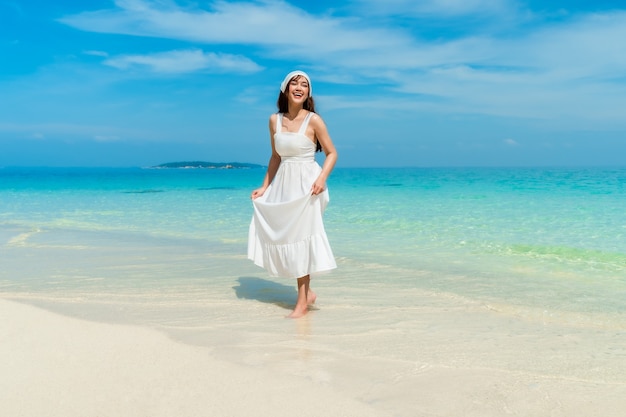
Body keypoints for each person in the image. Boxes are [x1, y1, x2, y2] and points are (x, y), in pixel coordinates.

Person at [247, 70, 338, 318]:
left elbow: (332, 153)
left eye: (305, 85)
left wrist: (321, 179)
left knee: (301, 240)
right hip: (285, 184)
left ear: (308, 92)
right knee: (287, 237)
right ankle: (307, 294)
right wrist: (265, 186)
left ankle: (301, 302)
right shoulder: (274, 121)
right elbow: (276, 156)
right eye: (294, 84)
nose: (299, 88)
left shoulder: (314, 121)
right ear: (285, 89)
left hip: (309, 186)